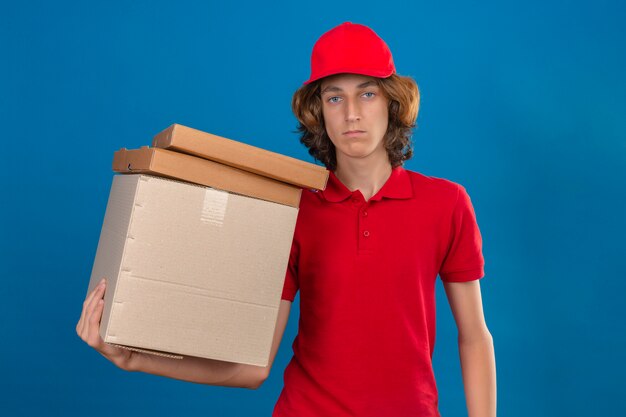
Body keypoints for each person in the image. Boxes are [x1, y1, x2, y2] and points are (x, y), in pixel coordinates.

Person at [77, 22, 496, 417]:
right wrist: (133, 357)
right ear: (319, 112)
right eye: (335, 97)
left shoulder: (446, 203)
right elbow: (253, 368)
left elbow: (474, 336)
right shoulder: (292, 209)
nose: (351, 113)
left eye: (367, 94)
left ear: (392, 101)